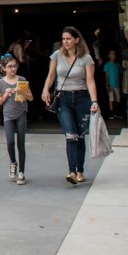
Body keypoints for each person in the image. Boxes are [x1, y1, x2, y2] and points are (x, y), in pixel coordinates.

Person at [42, 26, 99, 185]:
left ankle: (80, 170)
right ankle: (72, 172)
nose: (65, 42)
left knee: (80, 136)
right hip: (64, 98)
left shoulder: (86, 58)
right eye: (63, 39)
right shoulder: (57, 56)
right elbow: (51, 75)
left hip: (82, 97)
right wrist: (45, 89)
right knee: (71, 135)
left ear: (76, 40)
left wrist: (94, 101)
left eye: (68, 39)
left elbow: (90, 81)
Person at [0, 55, 30, 185]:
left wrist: (21, 91)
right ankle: (13, 162)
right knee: (10, 141)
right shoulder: (0, 83)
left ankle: (21, 172)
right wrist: (5, 94)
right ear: (4, 68)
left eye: (15, 66)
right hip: (8, 115)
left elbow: (30, 97)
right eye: (10, 66)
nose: (13, 69)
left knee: (21, 143)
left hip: (21, 113)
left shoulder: (21, 80)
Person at [103, 49, 123, 120]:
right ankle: (111, 114)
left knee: (117, 99)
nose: (113, 55)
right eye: (111, 53)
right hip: (110, 84)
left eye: (114, 53)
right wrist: (108, 84)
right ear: (108, 56)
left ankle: (116, 113)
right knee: (111, 99)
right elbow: (106, 75)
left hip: (117, 84)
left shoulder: (117, 65)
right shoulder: (107, 64)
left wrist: (121, 84)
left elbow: (120, 75)